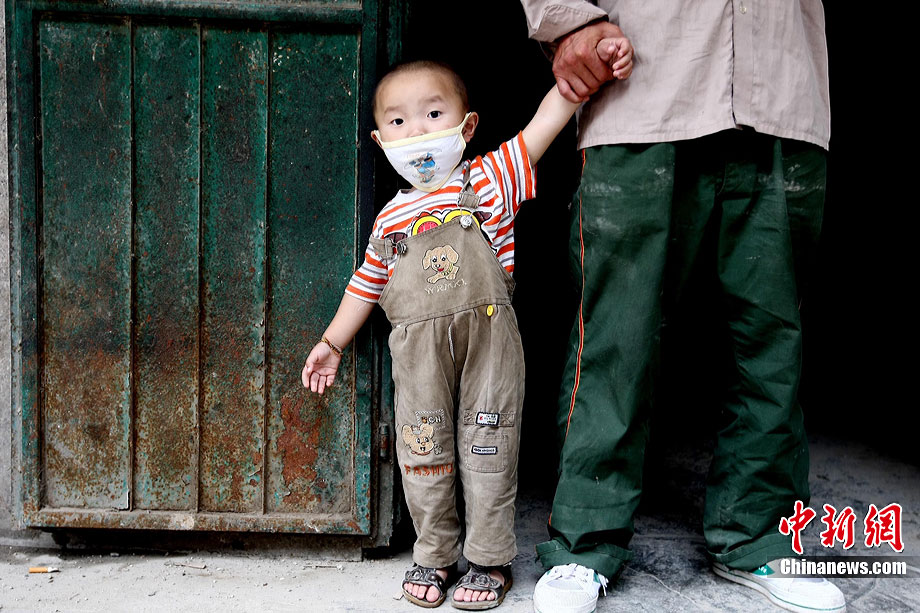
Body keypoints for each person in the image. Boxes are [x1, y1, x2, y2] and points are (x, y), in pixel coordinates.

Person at [517, 3, 846, 613]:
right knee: (616, 332)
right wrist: (567, 20)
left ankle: (759, 536)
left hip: (783, 86)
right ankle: (585, 540)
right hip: (643, 84)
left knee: (771, 335)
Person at [302, 46, 633, 610]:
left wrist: (583, 72)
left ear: (467, 125)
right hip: (418, 357)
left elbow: (543, 125)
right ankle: (434, 553)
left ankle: (488, 559)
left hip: (489, 347)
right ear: (380, 141)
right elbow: (365, 284)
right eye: (398, 122)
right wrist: (332, 342)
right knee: (422, 448)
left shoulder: (490, 178)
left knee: (489, 448)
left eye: (434, 114)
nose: (417, 131)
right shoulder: (389, 219)